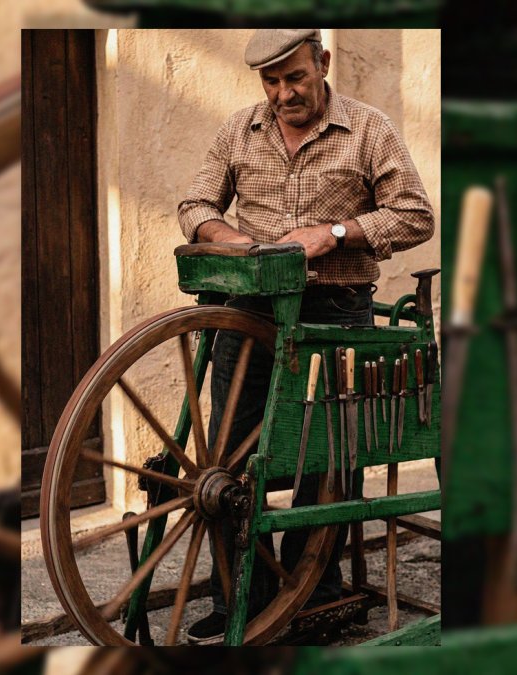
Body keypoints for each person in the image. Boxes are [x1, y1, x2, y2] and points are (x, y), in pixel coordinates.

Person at [176, 28, 435, 644]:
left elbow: (415, 214)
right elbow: (195, 205)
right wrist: (233, 241)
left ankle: (313, 595)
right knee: (228, 460)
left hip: (334, 312)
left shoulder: (368, 129)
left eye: (295, 77)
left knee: (327, 458)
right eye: (271, 82)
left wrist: (334, 234)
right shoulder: (238, 130)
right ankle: (241, 600)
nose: (283, 93)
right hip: (248, 310)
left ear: (323, 62)